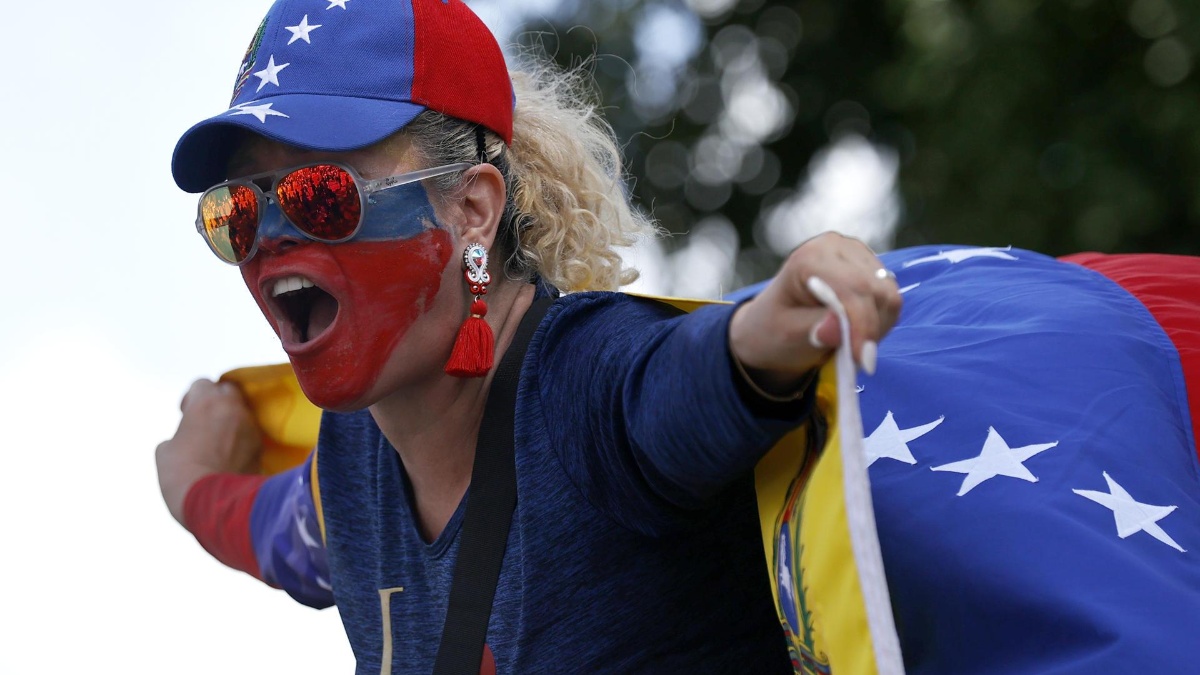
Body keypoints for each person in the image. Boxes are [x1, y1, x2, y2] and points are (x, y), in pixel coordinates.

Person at [155, 1, 900, 673]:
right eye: (236, 213)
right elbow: (266, 532)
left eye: (322, 194)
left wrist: (767, 333)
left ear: (473, 208)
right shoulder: (349, 466)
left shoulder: (582, 381)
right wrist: (188, 480)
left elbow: (680, 383)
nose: (271, 237)